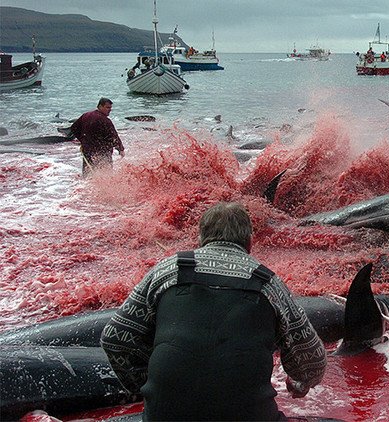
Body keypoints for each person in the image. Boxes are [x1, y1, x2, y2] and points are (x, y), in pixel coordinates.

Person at [100, 202, 327, 421]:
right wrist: (300, 384)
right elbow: (312, 359)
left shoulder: (167, 271)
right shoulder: (268, 283)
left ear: (201, 239)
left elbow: (114, 338)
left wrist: (143, 383)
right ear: (249, 243)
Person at [69, 97, 124, 177]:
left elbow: (74, 128)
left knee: (87, 175)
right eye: (107, 107)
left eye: (110, 108)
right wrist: (121, 149)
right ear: (100, 106)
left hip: (87, 151)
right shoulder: (105, 121)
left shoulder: (86, 115)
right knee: (105, 175)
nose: (110, 110)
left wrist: (82, 141)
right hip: (102, 153)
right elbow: (114, 136)